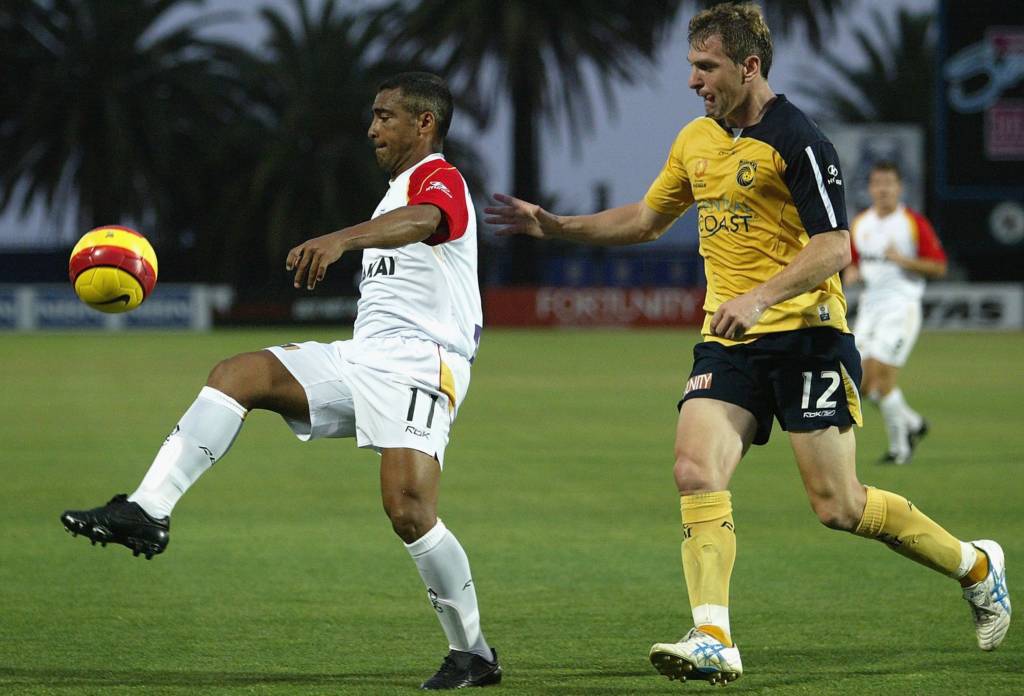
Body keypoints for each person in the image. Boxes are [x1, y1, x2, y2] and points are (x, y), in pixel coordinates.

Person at [485, 3, 1009, 685]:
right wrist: (557, 226)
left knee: (839, 506)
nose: (693, 81)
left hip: (808, 339)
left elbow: (834, 247)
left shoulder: (799, 140)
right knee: (694, 470)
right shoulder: (695, 140)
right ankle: (713, 636)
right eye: (692, 66)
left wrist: (760, 297)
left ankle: (975, 565)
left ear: (749, 65)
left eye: (706, 67)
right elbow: (646, 219)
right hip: (728, 342)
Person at [60, 72, 501, 691]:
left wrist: (340, 239)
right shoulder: (394, 194)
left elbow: (429, 219)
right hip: (364, 356)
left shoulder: (438, 177)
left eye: (385, 116)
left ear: (424, 123)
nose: (372, 129)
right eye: (373, 116)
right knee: (239, 375)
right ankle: (147, 509)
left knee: (409, 511)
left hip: (421, 364)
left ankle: (473, 654)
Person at [843, 161, 947, 465]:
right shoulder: (861, 224)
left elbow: (939, 267)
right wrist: (852, 272)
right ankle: (913, 423)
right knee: (861, 383)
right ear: (870, 188)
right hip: (870, 310)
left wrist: (903, 260)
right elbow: (853, 261)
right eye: (878, 183)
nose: (883, 189)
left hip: (901, 307)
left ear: (900, 188)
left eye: (889, 183)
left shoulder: (912, 223)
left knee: (882, 378)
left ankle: (900, 449)